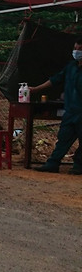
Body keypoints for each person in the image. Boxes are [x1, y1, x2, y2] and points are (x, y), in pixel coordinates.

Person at [28, 38, 82, 175]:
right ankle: (53, 163)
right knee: (63, 138)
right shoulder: (71, 66)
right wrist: (36, 89)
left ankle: (78, 165)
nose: (76, 52)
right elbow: (55, 80)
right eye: (75, 49)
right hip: (71, 111)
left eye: (80, 49)